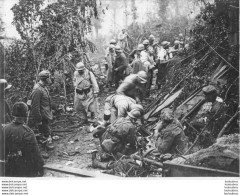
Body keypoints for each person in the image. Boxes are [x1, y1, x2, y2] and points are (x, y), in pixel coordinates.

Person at [4, 102, 44, 177]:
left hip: (7, 167)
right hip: (23, 169)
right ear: (26, 114)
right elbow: (35, 153)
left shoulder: (5, 129)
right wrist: (41, 167)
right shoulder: (28, 132)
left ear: (13, 114)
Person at [28, 70, 54, 150]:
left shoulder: (43, 87)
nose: (50, 79)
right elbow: (35, 106)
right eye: (49, 77)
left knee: (46, 130)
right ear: (46, 79)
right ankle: (43, 149)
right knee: (42, 131)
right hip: (41, 115)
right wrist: (38, 119)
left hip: (45, 113)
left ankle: (45, 145)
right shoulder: (37, 90)